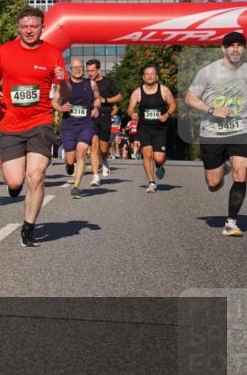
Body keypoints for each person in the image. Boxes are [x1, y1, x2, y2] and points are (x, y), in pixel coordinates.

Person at [0, 7, 69, 247]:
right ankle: (15, 185)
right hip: (10, 123)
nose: (29, 30)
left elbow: (65, 92)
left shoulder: (53, 53)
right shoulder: (5, 51)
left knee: (36, 175)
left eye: (34, 26)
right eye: (25, 26)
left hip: (40, 122)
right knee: (14, 182)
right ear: (19, 28)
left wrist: (62, 81)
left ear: (42, 27)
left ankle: (28, 227)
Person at [185, 31, 247, 237]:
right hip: (212, 133)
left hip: (241, 130)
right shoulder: (208, 72)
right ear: (223, 48)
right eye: (231, 45)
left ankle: (231, 223)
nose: (236, 49)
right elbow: (190, 98)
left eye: (239, 45)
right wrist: (212, 110)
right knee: (213, 184)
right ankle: (224, 167)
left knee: (241, 173)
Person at [55, 58, 102, 199]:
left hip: (85, 124)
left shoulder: (91, 84)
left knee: (81, 152)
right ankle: (69, 165)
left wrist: (96, 107)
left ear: (83, 69)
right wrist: (60, 108)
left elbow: (98, 98)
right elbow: (54, 102)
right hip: (68, 125)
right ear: (70, 70)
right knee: (70, 158)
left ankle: (76, 186)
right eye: (75, 68)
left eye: (80, 67)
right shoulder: (64, 85)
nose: (77, 70)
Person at [126, 63, 177, 193]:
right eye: (147, 74)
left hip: (160, 128)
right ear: (143, 77)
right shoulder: (137, 92)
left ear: (157, 76)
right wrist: (132, 114)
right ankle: (151, 182)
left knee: (159, 158)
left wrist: (167, 114)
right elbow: (130, 108)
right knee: (147, 154)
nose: (149, 76)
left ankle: (159, 165)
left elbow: (172, 105)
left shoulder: (164, 90)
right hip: (144, 127)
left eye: (152, 74)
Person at [86, 59, 123, 182]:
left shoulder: (108, 82)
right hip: (91, 118)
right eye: (88, 71)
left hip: (105, 116)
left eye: (92, 70)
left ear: (98, 70)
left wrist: (105, 100)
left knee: (103, 149)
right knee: (93, 146)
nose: (89, 73)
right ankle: (95, 176)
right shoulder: (86, 83)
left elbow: (119, 97)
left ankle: (104, 159)